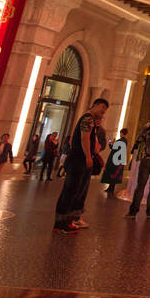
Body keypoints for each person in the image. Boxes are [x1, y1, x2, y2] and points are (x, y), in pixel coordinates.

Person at [53, 98, 109, 234]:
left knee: (76, 191)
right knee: (70, 191)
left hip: (80, 161)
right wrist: (88, 157)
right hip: (78, 160)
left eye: (105, 110)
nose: (103, 112)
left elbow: (93, 144)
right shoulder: (87, 118)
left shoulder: (92, 123)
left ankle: (67, 221)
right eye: (102, 108)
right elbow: (84, 138)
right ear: (95, 105)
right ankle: (61, 223)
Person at [101, 128, 129, 195]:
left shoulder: (120, 141)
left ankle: (111, 188)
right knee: (114, 174)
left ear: (122, 133)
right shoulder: (125, 141)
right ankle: (111, 187)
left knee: (112, 172)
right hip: (119, 159)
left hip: (115, 159)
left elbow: (112, 147)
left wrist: (110, 141)